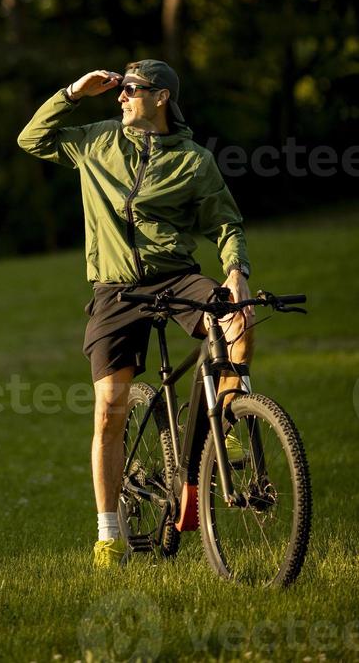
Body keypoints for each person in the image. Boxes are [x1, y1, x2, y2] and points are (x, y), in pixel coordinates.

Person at [17, 60, 254, 568]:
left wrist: (235, 271)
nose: (120, 97)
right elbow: (31, 139)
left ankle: (222, 429)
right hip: (115, 289)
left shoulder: (192, 161)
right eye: (119, 90)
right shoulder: (95, 141)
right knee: (109, 411)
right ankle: (108, 535)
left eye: (131, 90)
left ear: (162, 96)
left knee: (239, 320)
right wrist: (72, 92)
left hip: (176, 274)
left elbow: (227, 223)